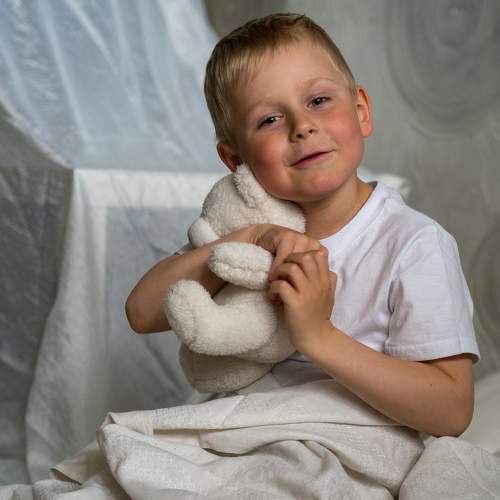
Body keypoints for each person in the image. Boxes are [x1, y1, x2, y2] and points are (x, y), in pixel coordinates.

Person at [125, 13, 480, 438]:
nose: (302, 126)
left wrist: (318, 336)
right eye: (269, 120)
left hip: (346, 444)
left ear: (361, 112)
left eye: (318, 101)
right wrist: (252, 238)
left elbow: (451, 412)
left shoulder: (413, 244)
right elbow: (142, 313)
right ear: (236, 161)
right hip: (248, 434)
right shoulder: (248, 221)